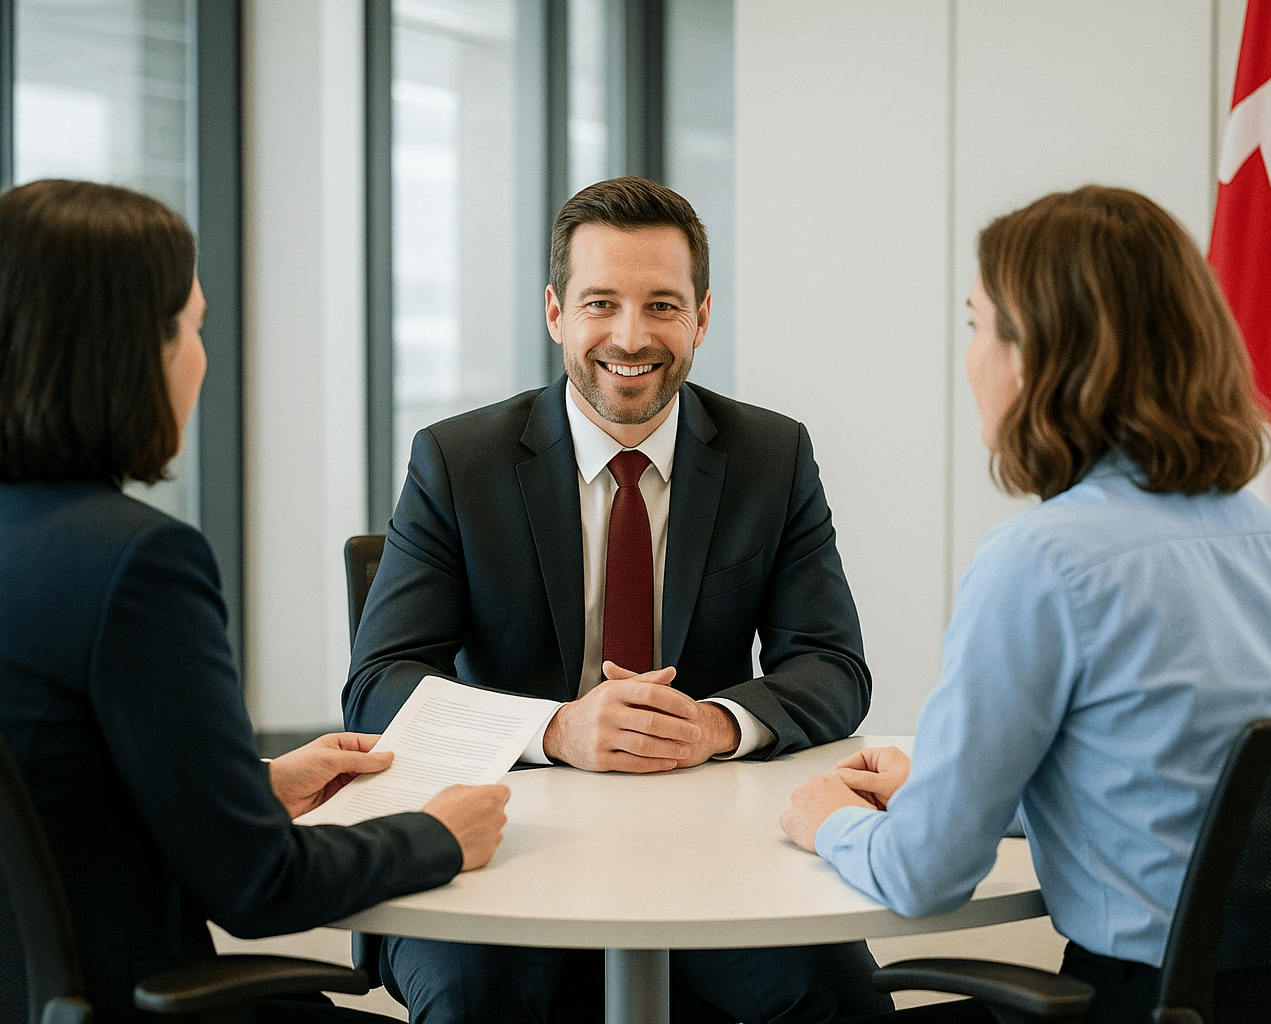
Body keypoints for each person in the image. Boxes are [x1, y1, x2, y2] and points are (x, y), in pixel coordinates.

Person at [0, 179, 510, 1024]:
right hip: (117, 1004)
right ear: (127, 353)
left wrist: (251, 785)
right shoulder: (136, 562)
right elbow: (259, 889)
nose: (202, 357)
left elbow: (31, 792)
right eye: (194, 328)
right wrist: (439, 835)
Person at [779, 185, 1271, 1024]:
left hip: (1136, 1005)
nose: (970, 359)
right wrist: (939, 785)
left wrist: (826, 822)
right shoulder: (1270, 542)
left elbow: (924, 878)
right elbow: (1169, 796)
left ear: (1036, 356)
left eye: (977, 326)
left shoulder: (1042, 564)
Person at [343, 176, 888, 1023]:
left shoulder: (771, 456)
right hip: (498, 845)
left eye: (662, 306)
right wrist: (554, 729)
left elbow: (832, 666)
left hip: (718, 850)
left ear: (701, 318)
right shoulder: (459, 462)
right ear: (557, 312)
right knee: (472, 1005)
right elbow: (378, 682)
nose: (630, 338)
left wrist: (714, 723)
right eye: (602, 303)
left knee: (836, 1001)